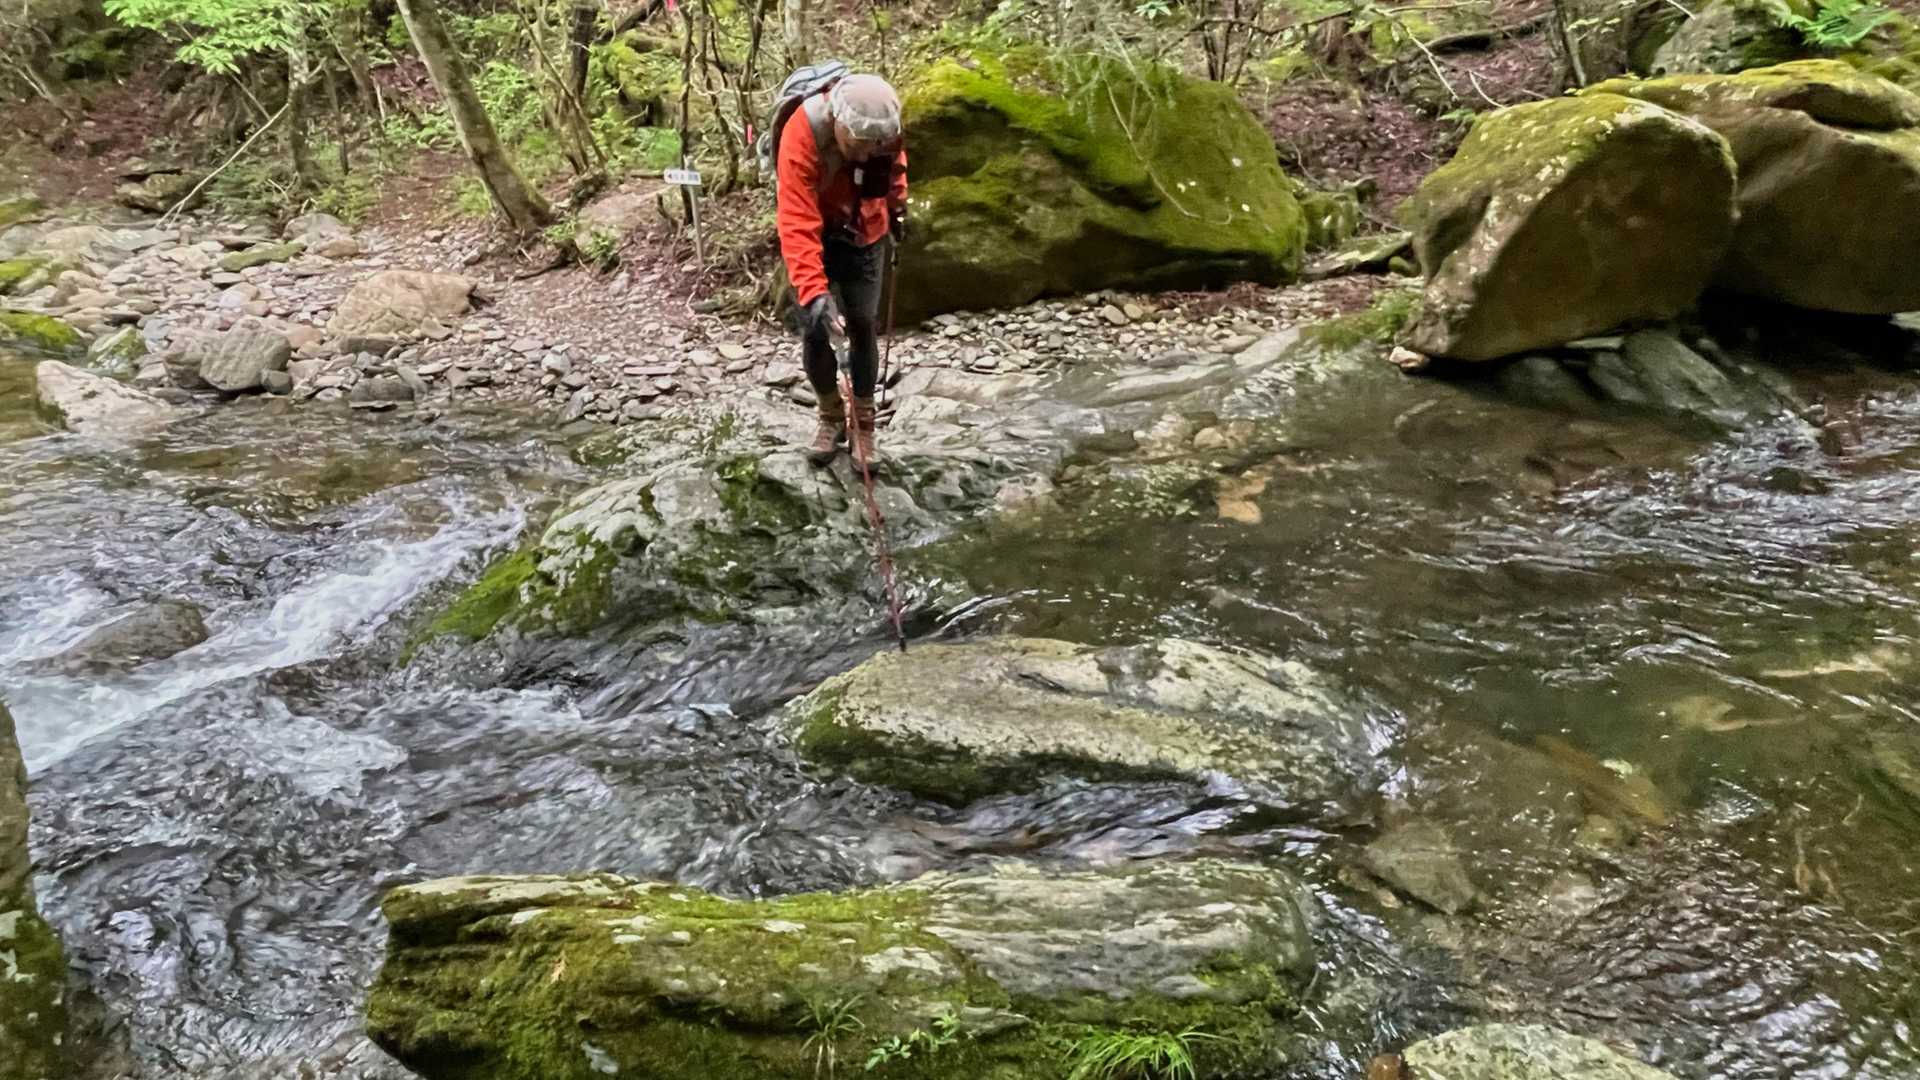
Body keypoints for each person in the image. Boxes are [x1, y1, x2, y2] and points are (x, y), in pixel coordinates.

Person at [776, 72, 908, 467]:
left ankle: (863, 426)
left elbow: (895, 169)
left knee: (863, 325)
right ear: (837, 121)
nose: (867, 154)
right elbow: (796, 219)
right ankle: (830, 416)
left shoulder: (886, 127)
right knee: (816, 329)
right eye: (858, 145)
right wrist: (814, 291)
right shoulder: (802, 133)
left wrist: (898, 209)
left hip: (867, 230)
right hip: (814, 234)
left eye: (875, 145)